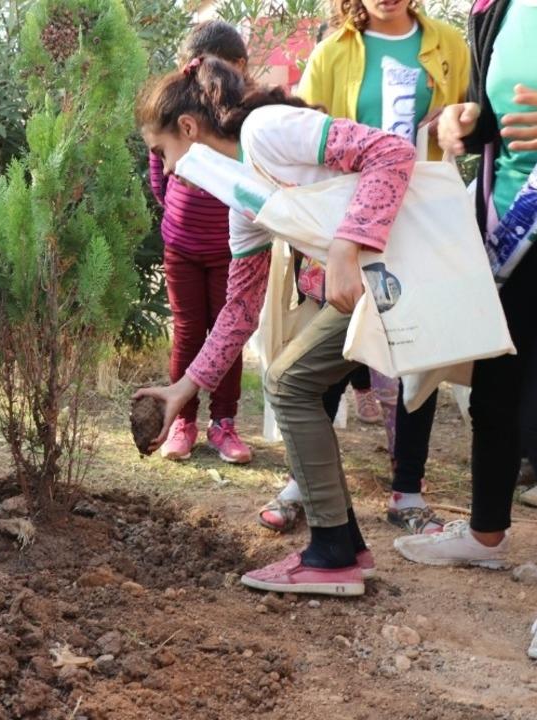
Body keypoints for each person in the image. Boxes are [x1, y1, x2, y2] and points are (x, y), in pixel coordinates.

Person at [135, 54, 418, 596]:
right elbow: (239, 310)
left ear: (189, 129)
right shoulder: (241, 198)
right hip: (360, 286)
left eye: (162, 152)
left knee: (287, 382)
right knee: (293, 382)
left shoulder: (268, 131)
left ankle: (334, 552)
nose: (166, 170)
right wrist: (183, 389)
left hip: (395, 272)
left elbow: (392, 151)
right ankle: (345, 545)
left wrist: (346, 243)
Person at [259, 0, 471, 535]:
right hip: (344, 227)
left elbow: (465, 125)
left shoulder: (449, 45)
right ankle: (303, 483)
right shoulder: (332, 52)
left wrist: (454, 121)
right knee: (326, 349)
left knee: (411, 359)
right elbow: (305, 141)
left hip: (418, 221)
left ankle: (408, 494)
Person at [393, 0, 537, 665]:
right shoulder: (495, 8)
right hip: (511, 230)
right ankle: (487, 533)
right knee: (494, 390)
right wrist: (465, 119)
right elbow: (492, 114)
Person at [147, 20, 253, 465]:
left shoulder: (244, 118)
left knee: (226, 337)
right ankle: (183, 422)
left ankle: (223, 423)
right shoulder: (176, 114)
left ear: (239, 69)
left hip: (231, 249)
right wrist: (177, 213)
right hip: (182, 248)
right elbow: (159, 174)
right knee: (189, 332)